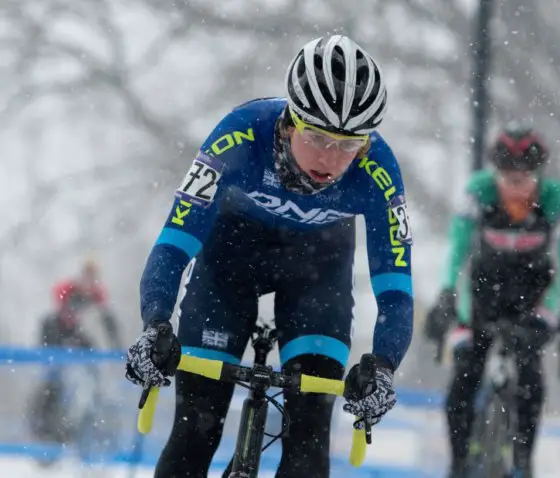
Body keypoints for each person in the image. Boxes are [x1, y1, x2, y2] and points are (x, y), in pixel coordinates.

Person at [124, 35, 413, 478]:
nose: (330, 158)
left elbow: (395, 288)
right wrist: (156, 323)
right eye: (316, 136)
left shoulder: (380, 172)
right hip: (230, 258)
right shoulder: (239, 134)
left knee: (310, 440)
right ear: (290, 120)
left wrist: (384, 364)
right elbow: (175, 240)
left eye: (348, 144)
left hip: (319, 270)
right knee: (195, 429)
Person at [424, 124, 560, 478]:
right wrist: (448, 293)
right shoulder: (479, 190)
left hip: (535, 293)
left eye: (523, 178)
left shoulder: (558, 197)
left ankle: (524, 461)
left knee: (531, 375)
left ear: (538, 174)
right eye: (506, 177)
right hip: (483, 292)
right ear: (494, 173)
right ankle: (459, 462)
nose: (515, 186)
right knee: (465, 371)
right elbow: (457, 248)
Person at [30, 258, 121, 445]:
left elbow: (107, 322)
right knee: (52, 384)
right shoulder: (68, 294)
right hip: (59, 340)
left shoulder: (97, 299)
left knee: (87, 387)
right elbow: (58, 318)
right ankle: (47, 428)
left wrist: (115, 346)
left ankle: (77, 431)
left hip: (80, 343)